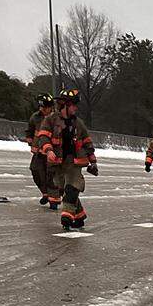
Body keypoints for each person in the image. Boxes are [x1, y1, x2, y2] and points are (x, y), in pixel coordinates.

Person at [42, 89, 98, 229]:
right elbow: (43, 137)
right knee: (64, 190)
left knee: (72, 189)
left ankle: (66, 216)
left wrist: (93, 162)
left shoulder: (79, 123)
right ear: (65, 105)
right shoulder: (50, 120)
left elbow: (87, 143)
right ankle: (79, 216)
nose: (75, 108)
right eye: (73, 105)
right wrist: (48, 150)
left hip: (74, 163)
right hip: (57, 163)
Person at [24, 94, 54, 205]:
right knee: (35, 171)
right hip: (38, 152)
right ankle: (45, 193)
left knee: (50, 175)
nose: (42, 109)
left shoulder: (56, 118)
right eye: (41, 106)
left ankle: (53, 197)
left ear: (50, 107)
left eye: (44, 107)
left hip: (51, 153)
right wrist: (30, 142)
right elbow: (29, 131)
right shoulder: (35, 117)